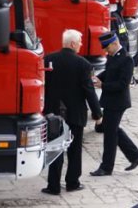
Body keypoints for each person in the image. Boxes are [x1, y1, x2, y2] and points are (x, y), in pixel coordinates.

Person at [41, 29, 103, 195]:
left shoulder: (48, 60)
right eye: (80, 42)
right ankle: (72, 182)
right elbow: (89, 91)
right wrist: (97, 114)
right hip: (75, 114)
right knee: (74, 151)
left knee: (55, 149)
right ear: (73, 44)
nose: (81, 45)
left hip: (53, 114)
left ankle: (53, 186)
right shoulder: (84, 64)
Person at [90, 32, 138, 176]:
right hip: (110, 100)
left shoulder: (127, 60)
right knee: (112, 129)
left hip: (118, 102)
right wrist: (96, 78)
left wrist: (103, 85)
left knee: (110, 134)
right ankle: (135, 155)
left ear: (115, 44)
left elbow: (122, 84)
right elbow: (108, 73)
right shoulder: (112, 56)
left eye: (107, 48)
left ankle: (106, 167)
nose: (106, 51)